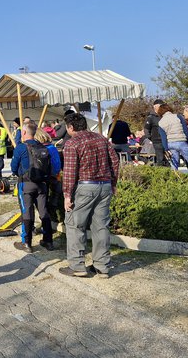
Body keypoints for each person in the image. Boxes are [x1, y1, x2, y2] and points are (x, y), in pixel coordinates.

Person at [60, 113, 119, 278]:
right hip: (105, 186)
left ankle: (77, 266)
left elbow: (70, 172)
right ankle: (102, 267)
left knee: (74, 225)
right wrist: (113, 183)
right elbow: (114, 161)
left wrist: (67, 195)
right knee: (101, 227)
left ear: (71, 127)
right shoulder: (102, 139)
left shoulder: (72, 143)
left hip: (85, 187)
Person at [10, 122, 53, 253]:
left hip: (26, 184)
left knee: (27, 212)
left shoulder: (21, 147)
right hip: (42, 185)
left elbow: (13, 167)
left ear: (23, 133)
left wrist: (20, 174)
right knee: (44, 211)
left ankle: (27, 243)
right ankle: (48, 241)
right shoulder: (43, 147)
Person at [157, 103, 188, 182]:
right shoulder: (178, 116)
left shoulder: (161, 122)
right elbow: (185, 130)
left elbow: (163, 137)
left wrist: (166, 149)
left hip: (171, 143)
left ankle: (174, 181)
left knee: (174, 164)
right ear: (169, 109)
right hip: (181, 142)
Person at [35, 128, 64, 230]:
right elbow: (57, 164)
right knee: (52, 201)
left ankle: (45, 224)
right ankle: (50, 220)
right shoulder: (52, 147)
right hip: (56, 178)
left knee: (42, 203)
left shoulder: (40, 149)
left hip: (45, 179)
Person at [144, 99, 167, 166]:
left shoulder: (164, 116)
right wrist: (152, 138)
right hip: (157, 141)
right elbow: (146, 129)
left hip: (166, 140)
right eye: (161, 106)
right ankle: (161, 174)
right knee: (160, 159)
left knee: (168, 159)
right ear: (155, 107)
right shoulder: (151, 117)